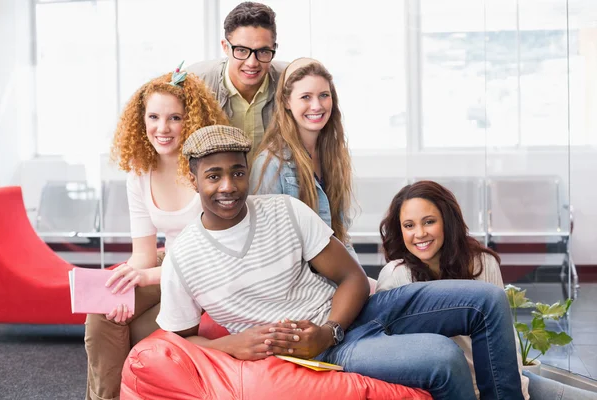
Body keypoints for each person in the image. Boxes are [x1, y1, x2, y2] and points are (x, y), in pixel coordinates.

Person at [156, 124, 526, 400]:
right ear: (193, 180)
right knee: (443, 357)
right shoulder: (183, 258)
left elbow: (350, 276)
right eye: (213, 176)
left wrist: (330, 327)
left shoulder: (284, 210)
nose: (228, 187)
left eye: (237, 172)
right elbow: (177, 341)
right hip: (325, 352)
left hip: (355, 316)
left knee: (487, 301)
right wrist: (231, 344)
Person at [376, 180, 597, 400]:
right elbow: (391, 356)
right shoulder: (396, 276)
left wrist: (517, 389)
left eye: (429, 221)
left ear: (447, 221)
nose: (420, 233)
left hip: (503, 383)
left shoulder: (482, 262)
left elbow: (505, 335)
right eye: (409, 225)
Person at [84, 66, 228, 400]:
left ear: (191, 122)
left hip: (209, 274)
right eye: (153, 117)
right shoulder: (139, 172)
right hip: (167, 266)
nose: (162, 129)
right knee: (103, 315)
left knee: (134, 329)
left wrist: (144, 279)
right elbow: (144, 256)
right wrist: (125, 285)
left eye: (175, 118)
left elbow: (214, 256)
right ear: (141, 120)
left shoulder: (210, 169)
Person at [249, 58, 354, 254]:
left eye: (324, 95)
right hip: (298, 279)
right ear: (287, 102)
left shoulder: (333, 155)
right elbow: (264, 244)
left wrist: (358, 278)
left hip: (336, 272)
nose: (316, 106)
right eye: (306, 97)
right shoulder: (271, 163)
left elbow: (341, 236)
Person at [187, 1, 287, 158]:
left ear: (274, 48)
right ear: (225, 47)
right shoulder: (195, 83)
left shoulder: (291, 82)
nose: (252, 63)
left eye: (263, 51)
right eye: (241, 50)